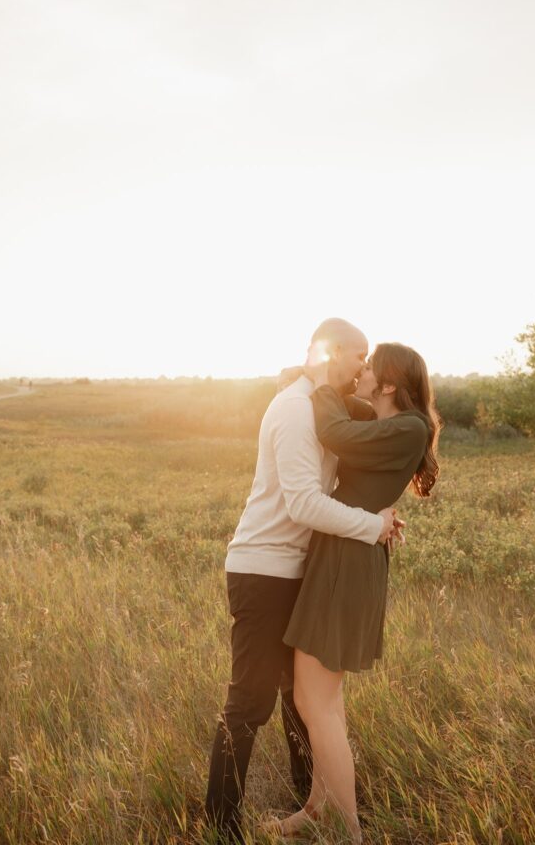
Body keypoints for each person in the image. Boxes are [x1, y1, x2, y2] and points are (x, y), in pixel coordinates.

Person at [204, 319, 403, 845]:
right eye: (358, 355)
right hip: (263, 569)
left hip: (297, 570)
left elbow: (379, 423)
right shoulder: (294, 410)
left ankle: (310, 807)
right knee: (250, 702)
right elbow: (303, 502)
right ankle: (219, 826)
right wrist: (374, 527)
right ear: (331, 351)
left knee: (302, 697)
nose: (364, 365)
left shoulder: (323, 403)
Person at [262, 342, 441, 843]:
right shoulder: (384, 418)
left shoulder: (407, 427)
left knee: (316, 701)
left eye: (369, 367)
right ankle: (319, 807)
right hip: (343, 553)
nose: (359, 372)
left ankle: (348, 828)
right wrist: (301, 377)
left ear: (387, 383)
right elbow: (346, 410)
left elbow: (333, 429)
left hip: (348, 559)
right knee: (319, 697)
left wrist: (316, 386)